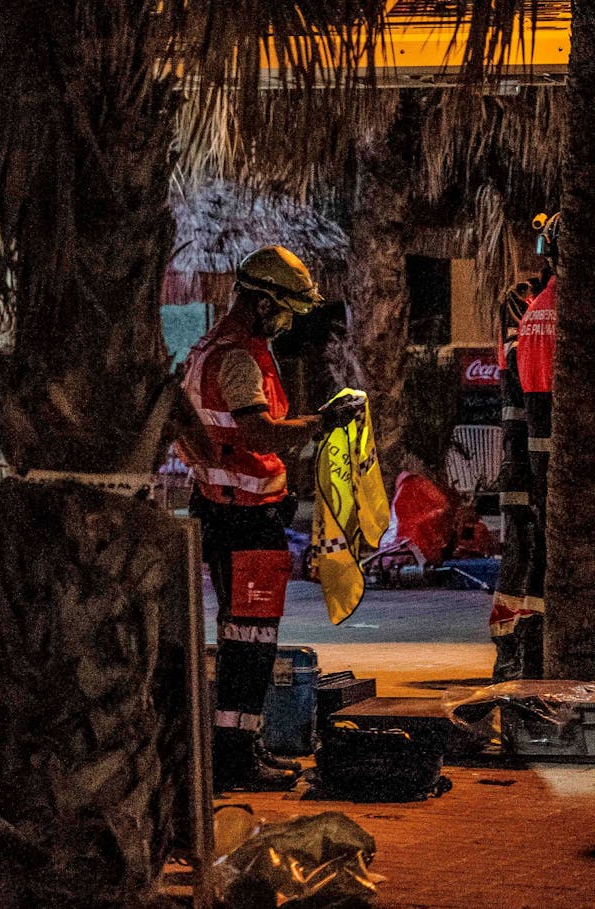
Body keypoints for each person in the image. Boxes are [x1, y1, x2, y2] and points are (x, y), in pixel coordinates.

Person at [180, 245, 354, 793]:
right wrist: (322, 422)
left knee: (243, 640)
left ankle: (236, 750)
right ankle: (234, 758)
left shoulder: (215, 348)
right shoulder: (238, 357)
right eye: (285, 309)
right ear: (260, 302)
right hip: (244, 520)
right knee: (250, 645)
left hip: (227, 511)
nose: (288, 322)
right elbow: (257, 433)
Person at [506, 212, 561, 678]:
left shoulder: (535, 313)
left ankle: (527, 655)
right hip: (562, 456)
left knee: (538, 555)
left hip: (535, 456)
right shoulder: (569, 311)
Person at [490, 280, 537, 680]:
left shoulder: (518, 331)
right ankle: (511, 650)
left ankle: (513, 649)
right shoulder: (523, 321)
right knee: (523, 556)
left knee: (524, 557)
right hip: (524, 464)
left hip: (522, 463)